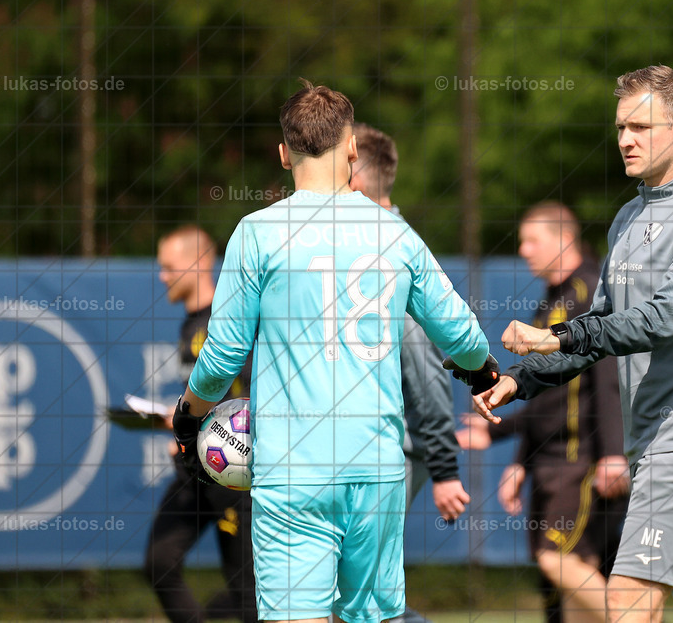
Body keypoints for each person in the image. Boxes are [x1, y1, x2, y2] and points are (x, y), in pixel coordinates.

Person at [172, 80, 495, 623]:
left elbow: (224, 355)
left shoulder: (257, 233)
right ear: (351, 148)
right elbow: (462, 336)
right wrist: (482, 372)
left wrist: (188, 417)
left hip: (293, 472)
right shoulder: (395, 234)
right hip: (377, 470)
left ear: (283, 154)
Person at [472, 65, 673, 623]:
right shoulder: (628, 216)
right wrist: (519, 379)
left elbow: (664, 318)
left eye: (641, 126)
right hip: (653, 440)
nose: (626, 138)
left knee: (626, 599)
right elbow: (601, 326)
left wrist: (555, 334)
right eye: (621, 126)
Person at [456, 201, 630, 623]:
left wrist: (612, 454)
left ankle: (638, 619)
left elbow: (607, 380)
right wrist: (520, 459)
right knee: (563, 586)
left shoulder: (589, 290)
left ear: (564, 238)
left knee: (558, 559)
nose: (524, 250)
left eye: (533, 240)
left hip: (581, 461)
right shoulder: (553, 298)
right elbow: (549, 397)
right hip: (551, 463)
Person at [348, 122, 471, 623]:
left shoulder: (393, 252)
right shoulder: (357, 245)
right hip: (360, 453)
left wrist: (443, 468)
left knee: (366, 594)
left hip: (393, 455)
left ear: (355, 181)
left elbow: (425, 369)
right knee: (353, 591)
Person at [146, 225, 257, 623]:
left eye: (169, 267)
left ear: (199, 262)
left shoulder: (227, 321)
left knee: (247, 594)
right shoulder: (190, 324)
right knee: (159, 562)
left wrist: (191, 423)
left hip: (231, 472)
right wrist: (180, 424)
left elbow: (242, 402)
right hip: (195, 466)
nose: (162, 276)